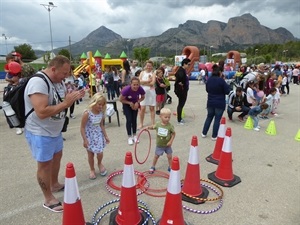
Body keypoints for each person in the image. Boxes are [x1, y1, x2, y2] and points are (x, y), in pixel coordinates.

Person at [24, 55, 85, 213]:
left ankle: (54, 184)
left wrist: (74, 97)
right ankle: (48, 198)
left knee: (57, 156)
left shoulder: (59, 81)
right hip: (40, 132)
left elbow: (62, 100)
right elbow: (42, 112)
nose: (66, 76)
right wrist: (66, 103)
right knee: (44, 164)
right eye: (64, 73)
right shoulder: (38, 82)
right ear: (53, 69)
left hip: (54, 131)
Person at [80, 93, 110, 179]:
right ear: (94, 102)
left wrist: (106, 136)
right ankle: (92, 169)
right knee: (91, 154)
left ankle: (100, 163)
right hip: (90, 137)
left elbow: (102, 125)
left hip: (98, 135)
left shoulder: (101, 113)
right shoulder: (87, 113)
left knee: (100, 153)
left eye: (103, 105)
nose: (101, 106)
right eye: (99, 104)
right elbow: (82, 127)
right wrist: (85, 139)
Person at [201, 64, 230, 140]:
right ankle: (214, 136)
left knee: (209, 117)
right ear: (220, 72)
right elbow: (227, 91)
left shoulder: (209, 80)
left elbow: (207, 90)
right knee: (217, 119)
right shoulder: (221, 81)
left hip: (210, 102)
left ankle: (204, 133)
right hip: (219, 102)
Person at [147, 108, 175, 173]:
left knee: (169, 156)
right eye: (165, 117)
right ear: (160, 117)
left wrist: (171, 141)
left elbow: (173, 134)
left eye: (169, 117)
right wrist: (148, 127)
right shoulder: (158, 124)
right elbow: (153, 127)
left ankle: (170, 166)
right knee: (156, 156)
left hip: (167, 145)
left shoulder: (170, 126)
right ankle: (152, 166)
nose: (167, 119)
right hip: (159, 145)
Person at [119, 77, 145, 145]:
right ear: (131, 84)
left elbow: (143, 97)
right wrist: (129, 103)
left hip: (135, 103)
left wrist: (138, 102)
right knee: (129, 119)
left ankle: (135, 135)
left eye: (137, 84)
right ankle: (129, 137)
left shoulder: (140, 88)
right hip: (126, 104)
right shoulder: (126, 90)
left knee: (134, 120)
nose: (136, 86)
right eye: (134, 84)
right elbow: (121, 99)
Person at [138, 60, 156, 128]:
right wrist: (147, 81)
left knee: (152, 108)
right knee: (142, 108)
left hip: (151, 93)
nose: (148, 67)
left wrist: (143, 83)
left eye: (150, 66)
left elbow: (152, 83)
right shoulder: (142, 73)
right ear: (145, 66)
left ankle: (152, 123)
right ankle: (141, 123)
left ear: (152, 67)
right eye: (147, 66)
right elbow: (139, 82)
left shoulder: (153, 73)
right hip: (143, 92)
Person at [174, 58, 191, 125]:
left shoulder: (183, 70)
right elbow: (179, 77)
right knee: (181, 104)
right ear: (184, 64)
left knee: (181, 104)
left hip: (184, 89)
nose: (189, 66)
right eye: (188, 65)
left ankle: (179, 117)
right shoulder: (181, 70)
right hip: (181, 90)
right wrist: (181, 82)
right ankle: (179, 119)